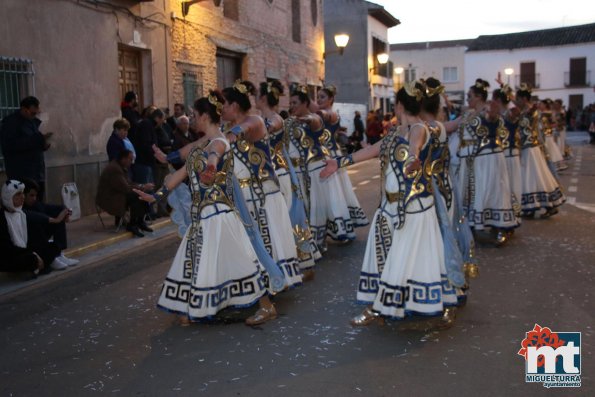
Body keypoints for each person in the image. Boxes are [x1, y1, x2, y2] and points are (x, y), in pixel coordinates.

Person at [320, 80, 459, 326]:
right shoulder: (395, 132)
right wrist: (340, 162)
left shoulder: (419, 128)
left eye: (395, 103)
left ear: (400, 105)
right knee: (383, 255)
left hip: (413, 208)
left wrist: (413, 161)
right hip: (388, 207)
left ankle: (393, 306)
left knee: (410, 257)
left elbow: (415, 148)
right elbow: (374, 149)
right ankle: (380, 306)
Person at [135, 91, 277, 325]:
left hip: (220, 215)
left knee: (238, 259)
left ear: (203, 117)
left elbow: (215, 155)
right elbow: (177, 177)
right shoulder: (203, 146)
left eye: (194, 114)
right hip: (204, 215)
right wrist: (155, 196)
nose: (191, 118)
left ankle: (265, 305)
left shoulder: (219, 142)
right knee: (191, 258)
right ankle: (187, 309)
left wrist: (211, 166)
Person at [222, 80, 303, 288]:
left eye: (224, 104)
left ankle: (273, 280)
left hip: (265, 188)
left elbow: (245, 129)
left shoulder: (257, 121)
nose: (220, 109)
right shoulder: (228, 127)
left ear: (234, 106)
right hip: (243, 193)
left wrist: (221, 140)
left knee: (267, 235)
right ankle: (258, 282)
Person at [287, 85, 368, 250]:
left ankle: (337, 228)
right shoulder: (310, 114)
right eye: (318, 97)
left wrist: (312, 114)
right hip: (318, 159)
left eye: (323, 97)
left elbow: (321, 114)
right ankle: (326, 231)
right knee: (328, 196)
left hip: (328, 157)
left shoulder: (330, 114)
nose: (320, 100)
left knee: (334, 196)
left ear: (331, 99)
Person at [257, 79, 321, 277]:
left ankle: (304, 263)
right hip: (272, 175)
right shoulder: (261, 119)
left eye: (256, 97)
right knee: (278, 221)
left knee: (291, 218)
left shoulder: (276, 119)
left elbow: (269, 128)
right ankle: (285, 263)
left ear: (263, 99)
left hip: (282, 176)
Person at [455, 79, 519, 244]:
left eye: (470, 96)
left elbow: (498, 117)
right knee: (476, 193)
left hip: (488, 158)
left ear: (478, 97)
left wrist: (496, 110)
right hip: (472, 160)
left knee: (492, 190)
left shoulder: (488, 110)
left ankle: (500, 226)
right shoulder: (469, 113)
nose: (468, 99)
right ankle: (475, 225)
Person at [515, 85, 565, 218]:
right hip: (529, 147)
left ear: (524, 99)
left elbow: (530, 120)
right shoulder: (525, 110)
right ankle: (541, 205)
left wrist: (530, 111)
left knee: (533, 177)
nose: (516, 101)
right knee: (536, 177)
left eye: (518, 99)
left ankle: (535, 206)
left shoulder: (531, 110)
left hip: (530, 148)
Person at [1, 180, 62, 276]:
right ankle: (37, 267)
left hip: (25, 251)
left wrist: (34, 251)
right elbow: (7, 248)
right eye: (18, 194)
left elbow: (37, 223)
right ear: (8, 197)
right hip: (10, 255)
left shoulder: (21, 214)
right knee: (31, 259)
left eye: (22, 194)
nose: (22, 197)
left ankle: (35, 267)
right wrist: (33, 254)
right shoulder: (3, 217)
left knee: (54, 247)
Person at [0, 96, 51, 201]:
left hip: (37, 173)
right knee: (26, 207)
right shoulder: (11, 123)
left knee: (38, 204)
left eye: (36, 113)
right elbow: (11, 146)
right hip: (22, 174)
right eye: (32, 113)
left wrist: (43, 144)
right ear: (24, 109)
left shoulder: (31, 122)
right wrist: (37, 139)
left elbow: (34, 142)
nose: (34, 116)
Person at [96, 149, 154, 237]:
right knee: (136, 196)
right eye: (130, 159)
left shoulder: (120, 167)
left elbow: (129, 183)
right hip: (110, 198)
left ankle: (140, 221)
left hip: (117, 194)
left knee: (142, 194)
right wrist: (142, 187)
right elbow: (125, 187)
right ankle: (132, 224)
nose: (131, 162)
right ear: (123, 159)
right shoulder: (115, 169)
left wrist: (143, 186)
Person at [22, 178, 79, 267]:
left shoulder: (35, 204)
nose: (34, 198)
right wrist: (53, 220)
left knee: (58, 213)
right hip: (27, 240)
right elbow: (33, 217)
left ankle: (58, 253)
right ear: (23, 195)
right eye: (31, 195)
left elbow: (52, 208)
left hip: (39, 237)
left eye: (35, 196)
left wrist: (65, 211)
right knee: (37, 223)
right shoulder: (18, 208)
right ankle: (50, 257)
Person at [129, 108, 164, 184]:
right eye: (162, 120)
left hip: (147, 163)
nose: (162, 123)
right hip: (144, 163)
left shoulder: (149, 125)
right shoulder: (146, 125)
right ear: (157, 118)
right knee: (146, 190)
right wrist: (157, 154)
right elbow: (146, 145)